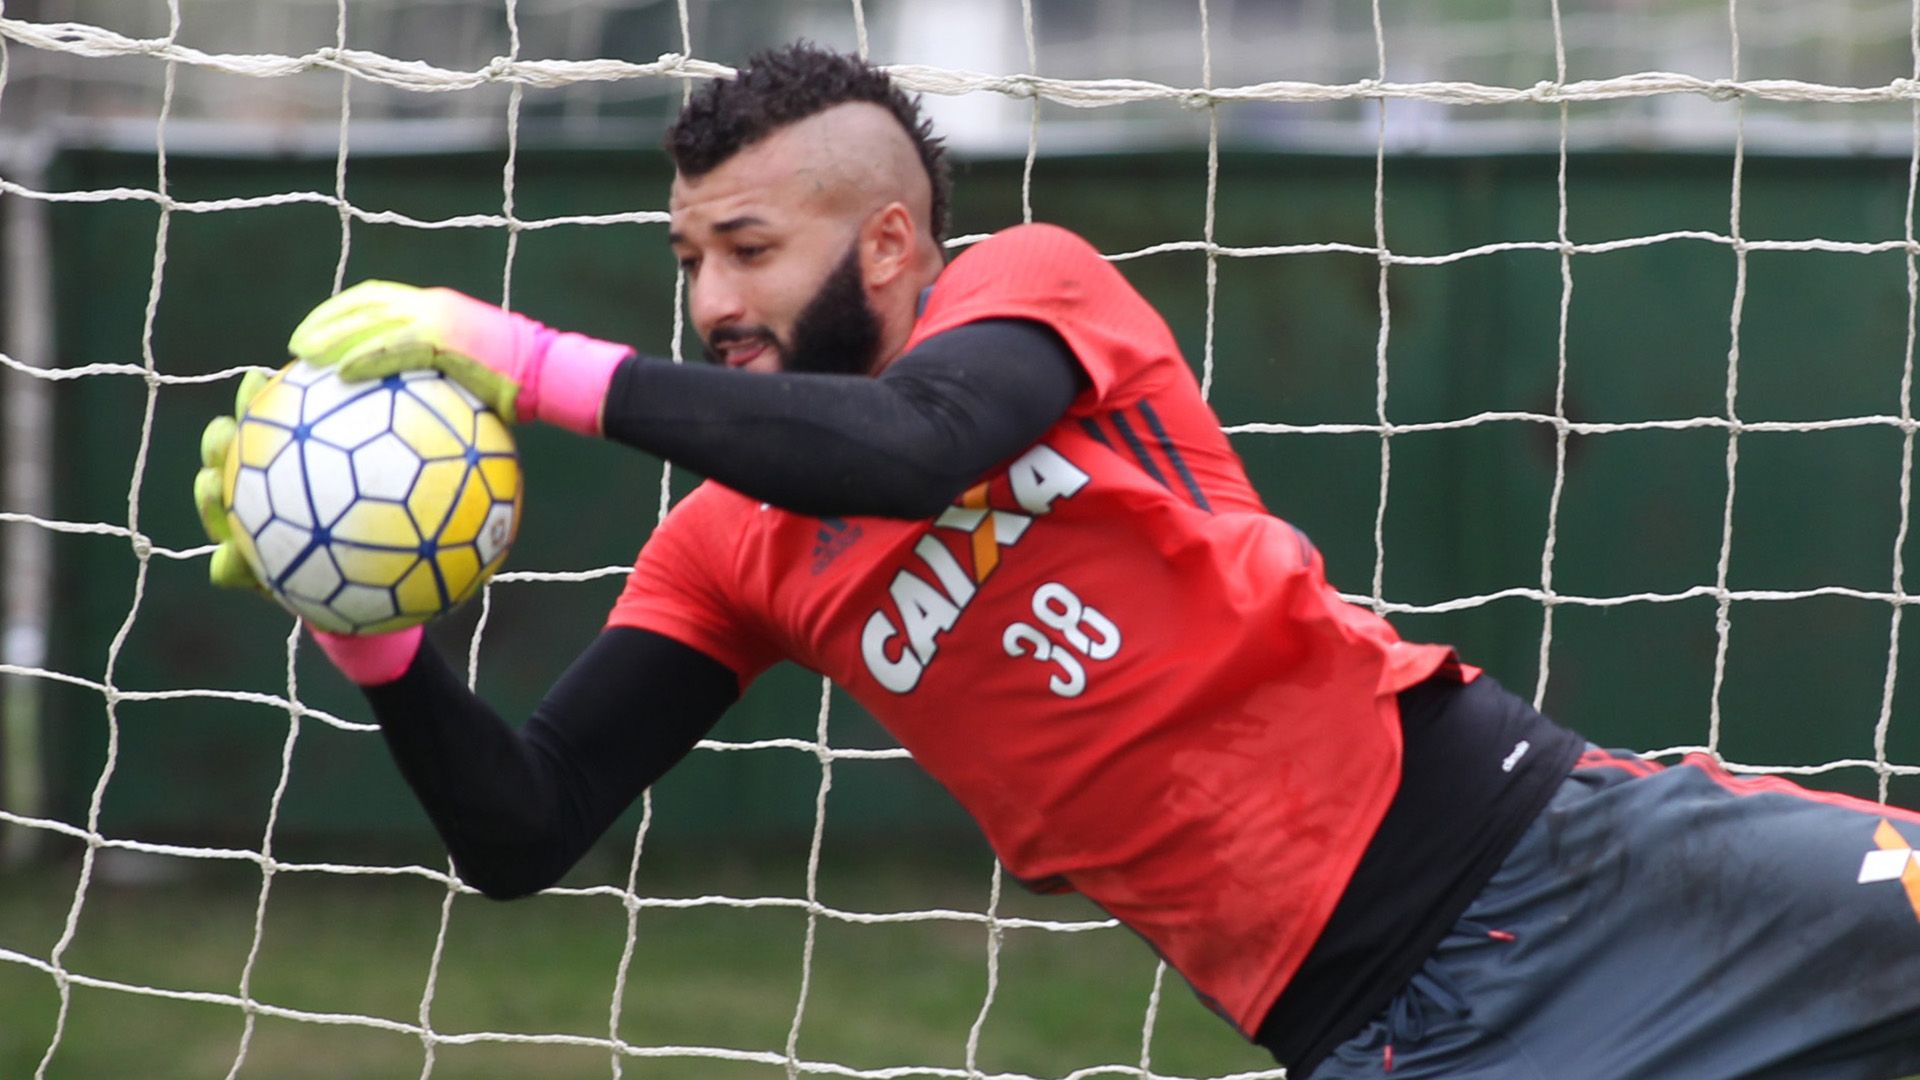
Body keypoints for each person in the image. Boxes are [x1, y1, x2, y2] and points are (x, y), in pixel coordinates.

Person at [192, 43, 1920, 1079]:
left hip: (1575, 854)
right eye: (687, 255)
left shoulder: (1025, 288)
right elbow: (523, 825)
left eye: (745, 247)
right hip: (1384, 1032)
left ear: (883, 238)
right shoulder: (729, 549)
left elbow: (917, 447)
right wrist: (365, 624)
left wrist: (527, 360)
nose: (710, 301)